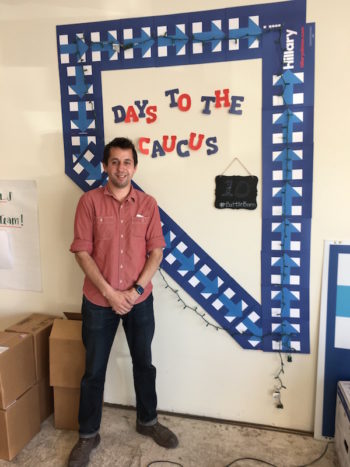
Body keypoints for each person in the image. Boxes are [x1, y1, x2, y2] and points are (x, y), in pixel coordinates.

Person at [68, 137, 178, 467]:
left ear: (135, 166)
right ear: (105, 166)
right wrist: (111, 294)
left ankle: (148, 422)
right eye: (114, 161)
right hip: (98, 301)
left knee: (144, 364)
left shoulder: (148, 204)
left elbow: (156, 252)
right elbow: (82, 253)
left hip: (139, 301)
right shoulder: (88, 203)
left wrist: (133, 292)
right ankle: (87, 435)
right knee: (93, 371)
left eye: (127, 162)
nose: (121, 168)